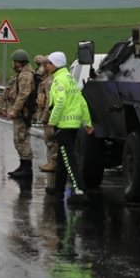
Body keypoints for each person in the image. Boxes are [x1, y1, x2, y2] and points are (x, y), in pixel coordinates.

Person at [45, 51, 93, 201]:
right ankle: (58, 189)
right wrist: (87, 123)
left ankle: (80, 192)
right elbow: (82, 102)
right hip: (74, 124)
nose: (46, 66)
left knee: (69, 161)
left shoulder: (59, 80)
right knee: (62, 158)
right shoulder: (70, 79)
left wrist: (52, 121)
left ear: (55, 65)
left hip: (64, 125)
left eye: (48, 63)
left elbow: (59, 102)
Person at [4, 49, 38, 178]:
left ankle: (27, 168)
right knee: (18, 139)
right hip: (20, 112)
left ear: (18, 62)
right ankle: (22, 165)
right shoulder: (21, 74)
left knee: (22, 138)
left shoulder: (26, 75)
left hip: (23, 113)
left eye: (14, 61)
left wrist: (14, 110)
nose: (12, 63)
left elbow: (23, 94)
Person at [35, 54, 57, 173]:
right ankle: (51, 162)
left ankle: (53, 163)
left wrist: (45, 116)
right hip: (47, 114)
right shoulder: (45, 80)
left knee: (50, 140)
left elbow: (50, 100)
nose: (40, 68)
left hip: (50, 116)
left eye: (42, 65)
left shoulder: (49, 82)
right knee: (49, 140)